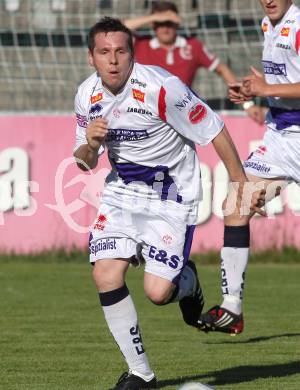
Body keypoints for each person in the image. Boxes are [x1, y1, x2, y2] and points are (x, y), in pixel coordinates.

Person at [73, 17, 261, 390]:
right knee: (105, 274)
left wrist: (240, 183)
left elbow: (214, 128)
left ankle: (187, 282)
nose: (113, 61)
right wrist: (91, 145)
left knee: (158, 293)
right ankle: (140, 373)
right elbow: (83, 160)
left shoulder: (162, 87)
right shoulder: (86, 95)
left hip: (172, 195)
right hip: (122, 192)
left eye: (121, 51)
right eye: (104, 53)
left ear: (132, 54)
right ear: (91, 58)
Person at [198, 0, 300, 335]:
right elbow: (284, 82)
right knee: (236, 204)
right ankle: (232, 308)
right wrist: (253, 91)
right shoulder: (267, 25)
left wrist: (266, 89)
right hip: (282, 138)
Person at [123, 0, 266, 125]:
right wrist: (154, 16)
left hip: (181, 116)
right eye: (160, 23)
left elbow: (222, 69)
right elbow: (118, 29)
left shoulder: (192, 46)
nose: (165, 28)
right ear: (153, 24)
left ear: (177, 23)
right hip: (144, 114)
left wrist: (247, 105)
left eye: (169, 22)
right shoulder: (141, 44)